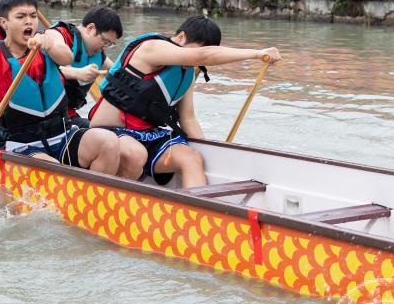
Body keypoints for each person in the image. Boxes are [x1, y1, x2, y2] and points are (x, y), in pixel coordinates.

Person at [0, 0, 124, 174]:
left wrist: (50, 45)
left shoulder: (49, 41)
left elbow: (67, 58)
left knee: (109, 143)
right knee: (53, 167)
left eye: (33, 16)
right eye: (21, 17)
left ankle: (92, 190)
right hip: (22, 145)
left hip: (63, 135)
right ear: (3, 22)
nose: (29, 21)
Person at [90, 16, 281, 187]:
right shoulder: (152, 48)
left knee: (192, 158)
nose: (194, 62)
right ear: (181, 37)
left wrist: (212, 152)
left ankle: (198, 211)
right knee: (135, 154)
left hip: (149, 136)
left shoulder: (187, 71)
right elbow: (204, 55)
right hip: (110, 133)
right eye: (197, 51)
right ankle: (114, 205)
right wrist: (257, 54)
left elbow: (188, 118)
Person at [46, 7, 122, 121]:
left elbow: (119, 71)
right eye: (105, 41)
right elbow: (41, 70)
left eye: (110, 44)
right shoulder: (59, 35)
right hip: (45, 115)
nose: (104, 48)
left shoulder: (99, 55)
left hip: (68, 114)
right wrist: (78, 73)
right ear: (90, 28)